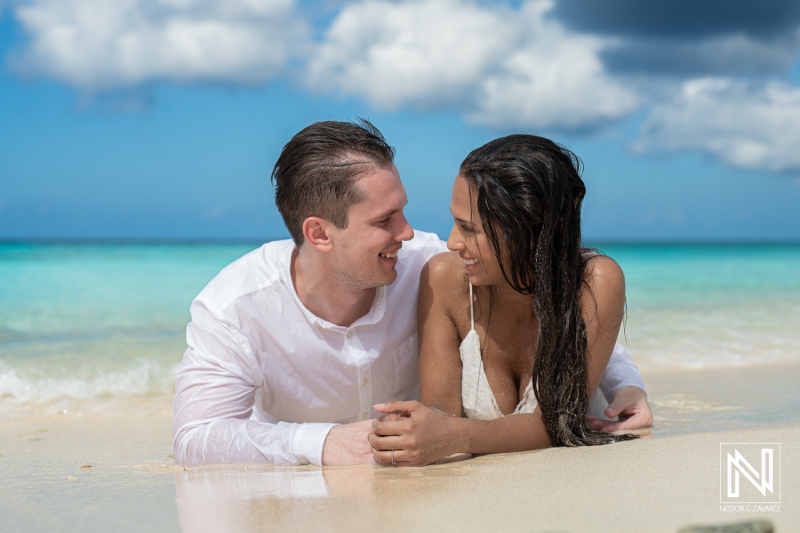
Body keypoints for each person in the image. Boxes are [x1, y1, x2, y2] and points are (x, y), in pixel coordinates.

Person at [172, 121, 651, 467]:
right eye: (384, 221)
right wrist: (321, 444)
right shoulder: (234, 307)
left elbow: (544, 289)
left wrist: (622, 380)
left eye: (402, 211)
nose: (410, 233)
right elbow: (196, 437)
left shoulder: (428, 260)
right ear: (319, 233)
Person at [369, 135, 654, 467]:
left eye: (468, 228)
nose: (451, 242)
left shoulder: (596, 282)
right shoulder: (445, 279)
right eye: (454, 221)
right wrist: (412, 431)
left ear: (525, 231)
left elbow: (560, 422)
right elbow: (440, 416)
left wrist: (456, 435)